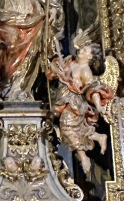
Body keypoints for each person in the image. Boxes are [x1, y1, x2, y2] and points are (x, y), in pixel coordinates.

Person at [48, 43, 114, 177]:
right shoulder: (69, 61)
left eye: (84, 50)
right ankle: (98, 136)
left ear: (90, 56)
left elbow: (93, 89)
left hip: (74, 103)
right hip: (61, 99)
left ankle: (83, 157)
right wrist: (57, 69)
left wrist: (99, 106)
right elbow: (53, 68)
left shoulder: (85, 70)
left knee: (67, 127)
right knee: (74, 129)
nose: (80, 50)